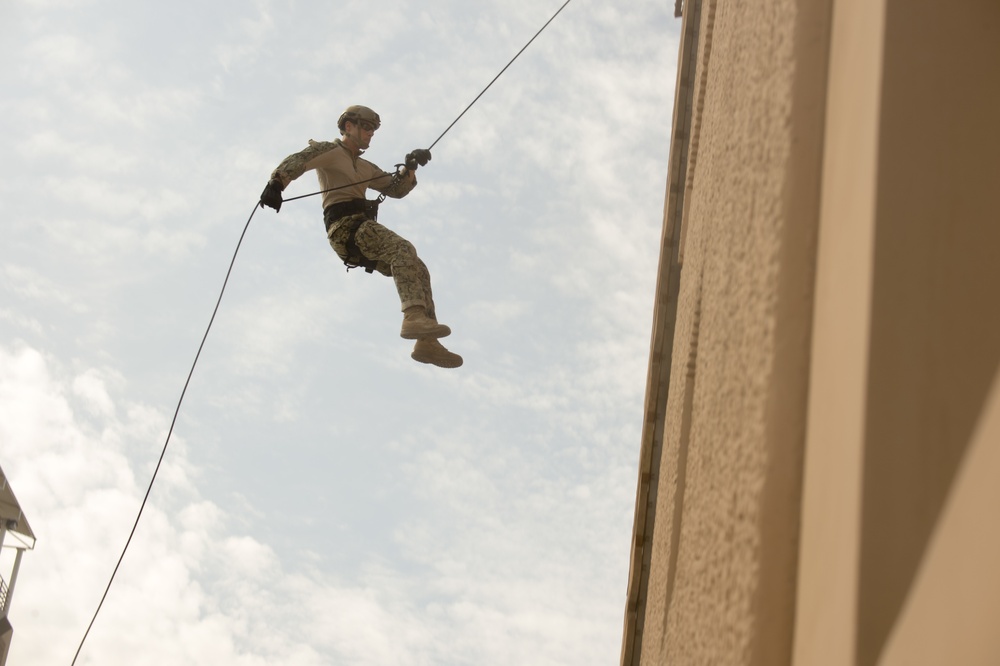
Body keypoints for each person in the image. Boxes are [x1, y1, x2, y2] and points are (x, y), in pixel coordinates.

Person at [259, 105, 462, 369]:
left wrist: (410, 167)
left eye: (373, 129)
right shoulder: (330, 151)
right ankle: (412, 317)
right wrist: (277, 184)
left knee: (417, 267)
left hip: (361, 231)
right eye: (365, 127)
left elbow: (395, 189)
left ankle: (426, 342)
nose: (370, 133)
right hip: (345, 228)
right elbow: (300, 160)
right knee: (402, 249)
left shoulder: (366, 167)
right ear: (348, 127)